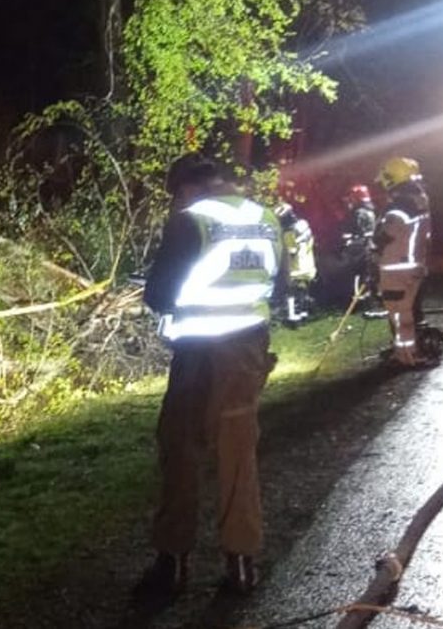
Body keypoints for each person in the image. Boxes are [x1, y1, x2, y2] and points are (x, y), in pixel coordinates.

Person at [135, 153, 286, 601]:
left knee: (180, 449)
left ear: (185, 189)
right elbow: (279, 289)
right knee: (238, 451)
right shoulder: (267, 217)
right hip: (247, 352)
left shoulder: (190, 220)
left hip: (198, 354)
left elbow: (159, 295)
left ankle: (173, 563)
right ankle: (241, 566)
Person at [374, 156, 431, 367]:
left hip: (397, 269)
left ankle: (406, 355)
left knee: (400, 315)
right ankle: (407, 350)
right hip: (413, 266)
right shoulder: (418, 199)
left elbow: (385, 237)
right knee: (410, 312)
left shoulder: (399, 207)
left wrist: (373, 246)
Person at [274, 201, 316, 323]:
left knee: (291, 290)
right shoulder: (303, 224)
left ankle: (292, 314)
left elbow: (291, 250)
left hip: (295, 266)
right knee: (302, 288)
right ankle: (303, 312)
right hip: (307, 263)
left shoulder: (289, 232)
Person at [340, 183, 377, 304]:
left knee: (355, 274)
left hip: (358, 248)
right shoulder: (370, 210)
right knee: (365, 274)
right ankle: (367, 297)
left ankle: (357, 299)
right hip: (367, 246)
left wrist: (348, 239)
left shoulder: (359, 213)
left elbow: (357, 231)